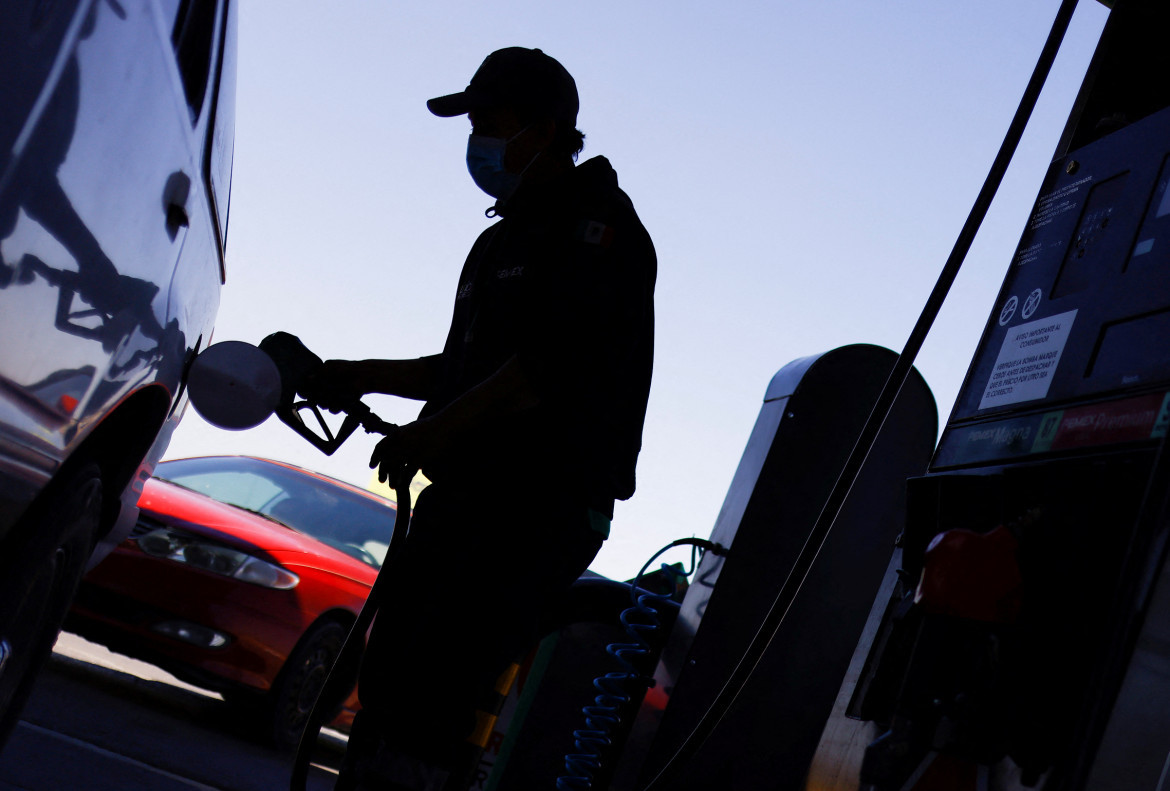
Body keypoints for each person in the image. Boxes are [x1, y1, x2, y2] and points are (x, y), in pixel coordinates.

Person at [315, 46, 656, 791]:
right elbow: (462, 373)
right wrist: (343, 373)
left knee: (440, 681)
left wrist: (431, 434)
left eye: (492, 124)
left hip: (538, 505)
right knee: (392, 669)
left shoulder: (599, 233)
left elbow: (544, 370)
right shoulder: (501, 239)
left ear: (547, 130)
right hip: (470, 494)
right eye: (473, 125)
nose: (480, 143)